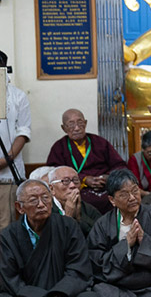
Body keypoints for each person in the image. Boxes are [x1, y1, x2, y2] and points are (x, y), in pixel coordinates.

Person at [87, 169, 151, 296]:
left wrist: (145, 241)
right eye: (124, 194)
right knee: (100, 290)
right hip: (119, 287)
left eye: (135, 191)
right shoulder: (103, 224)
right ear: (112, 200)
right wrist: (126, 245)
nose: (132, 198)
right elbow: (96, 263)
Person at [0, 179, 95, 297]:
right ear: (20, 207)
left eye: (45, 198)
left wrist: (57, 293)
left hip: (63, 293)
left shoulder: (68, 226)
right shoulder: (8, 236)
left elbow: (78, 268)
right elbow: (10, 278)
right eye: (33, 200)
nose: (41, 204)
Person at [47, 109, 127, 213]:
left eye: (80, 123)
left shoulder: (100, 142)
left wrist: (107, 177)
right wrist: (84, 180)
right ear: (64, 128)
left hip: (105, 187)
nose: (76, 128)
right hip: (78, 190)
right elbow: (54, 173)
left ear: (85, 123)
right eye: (71, 124)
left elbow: (119, 165)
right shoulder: (59, 147)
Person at [0, 50, 31, 229]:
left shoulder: (17, 96)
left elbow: (23, 132)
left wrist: (7, 159)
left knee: (6, 226)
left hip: (7, 175)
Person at [48, 166, 102, 237]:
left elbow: (99, 236)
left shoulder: (88, 209)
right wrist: (68, 218)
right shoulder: (46, 209)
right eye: (66, 181)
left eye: (76, 180)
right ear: (52, 189)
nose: (72, 185)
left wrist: (79, 218)